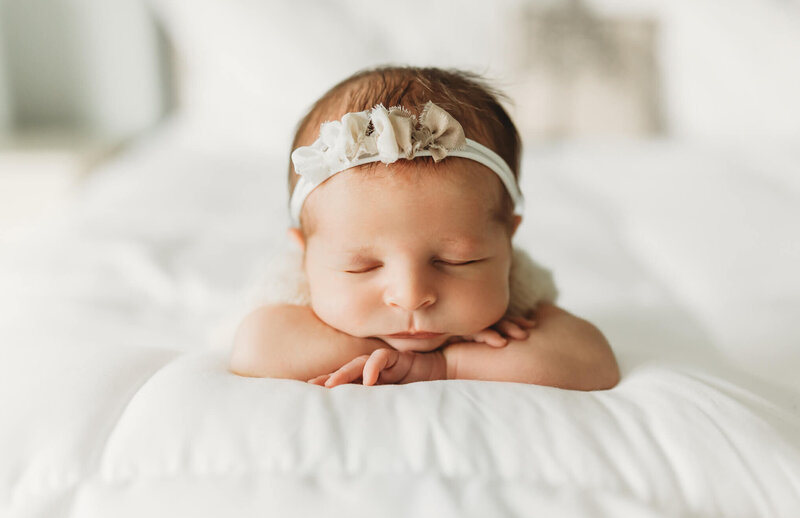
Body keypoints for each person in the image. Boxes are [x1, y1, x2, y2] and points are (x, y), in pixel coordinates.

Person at [230, 65, 620, 390]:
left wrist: (442, 367)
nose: (411, 296)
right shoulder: (293, 290)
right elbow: (256, 349)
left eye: (457, 261)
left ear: (506, 242)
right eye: (361, 266)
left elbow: (592, 360)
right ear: (305, 254)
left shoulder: (515, 288)